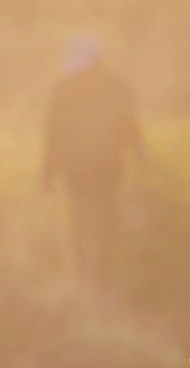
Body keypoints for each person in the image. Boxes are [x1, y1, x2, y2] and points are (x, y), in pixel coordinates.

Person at [43, 37, 142, 296]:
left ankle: (96, 282)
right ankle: (90, 283)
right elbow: (54, 132)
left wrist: (46, 170)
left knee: (95, 226)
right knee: (90, 226)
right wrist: (46, 170)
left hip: (98, 170)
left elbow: (130, 129)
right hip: (91, 171)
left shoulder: (67, 89)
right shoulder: (109, 88)